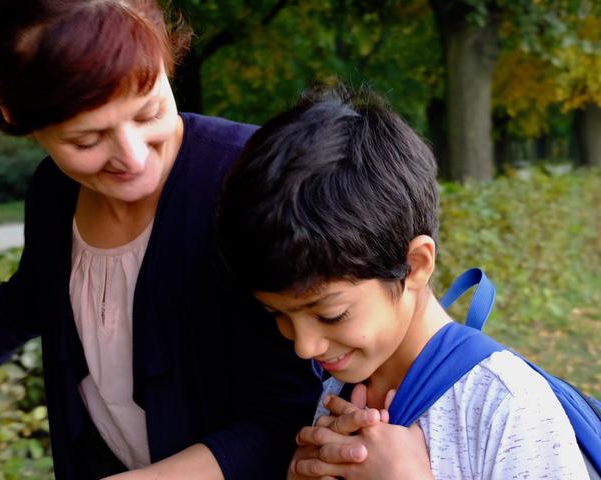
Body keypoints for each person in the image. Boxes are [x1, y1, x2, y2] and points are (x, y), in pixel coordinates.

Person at [0, 1, 323, 478]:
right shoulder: (54, 191)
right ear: (14, 114)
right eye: (86, 140)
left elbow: (292, 410)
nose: (132, 158)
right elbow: (26, 301)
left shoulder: (253, 185)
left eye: (150, 111)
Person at [215, 84, 591, 479]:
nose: (305, 346)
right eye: (278, 315)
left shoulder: (505, 406)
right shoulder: (337, 393)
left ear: (414, 265)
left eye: (331, 314)